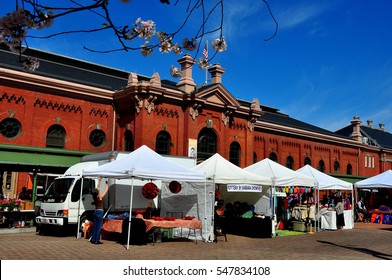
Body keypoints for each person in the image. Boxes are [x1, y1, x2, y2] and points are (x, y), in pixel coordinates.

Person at [90, 177, 109, 245]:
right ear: (97, 192)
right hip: (100, 212)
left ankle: (93, 239)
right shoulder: (100, 197)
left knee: (95, 226)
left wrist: (100, 180)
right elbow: (106, 189)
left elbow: (97, 187)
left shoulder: (94, 197)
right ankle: (97, 240)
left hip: (95, 212)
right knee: (98, 227)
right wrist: (107, 182)